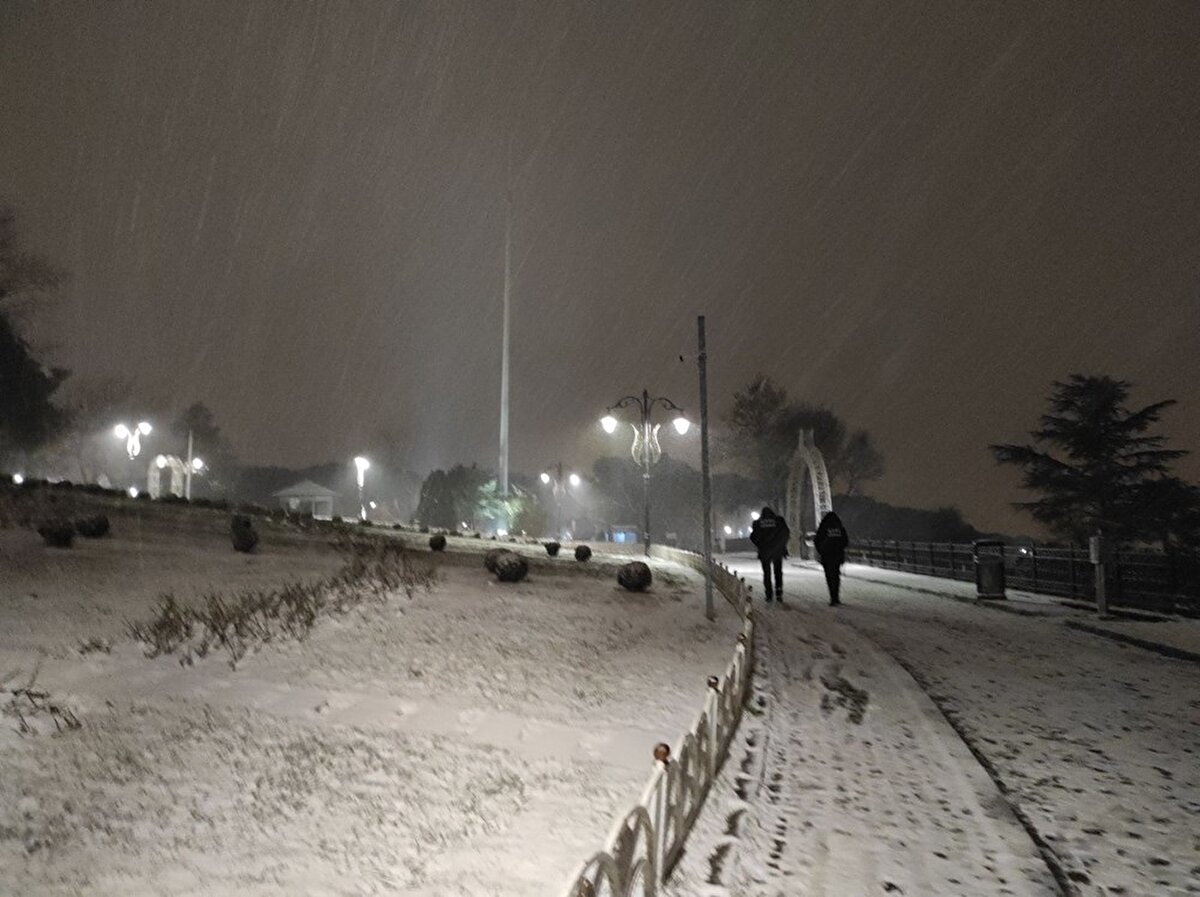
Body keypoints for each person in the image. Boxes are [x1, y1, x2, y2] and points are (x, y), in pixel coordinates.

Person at [750, 506, 790, 603]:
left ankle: (768, 594)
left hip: (765, 552)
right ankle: (779, 592)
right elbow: (786, 533)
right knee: (778, 572)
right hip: (777, 551)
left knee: (766, 573)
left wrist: (761, 545)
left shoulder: (757, 523)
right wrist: (781, 545)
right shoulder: (779, 521)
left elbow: (753, 537)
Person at [814, 511, 849, 606]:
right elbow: (845, 541)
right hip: (837, 555)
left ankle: (832, 597)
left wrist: (821, 551)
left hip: (827, 556)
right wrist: (840, 549)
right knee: (836, 576)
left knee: (829, 576)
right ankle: (836, 597)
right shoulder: (839, 528)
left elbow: (817, 540)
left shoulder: (823, 527)